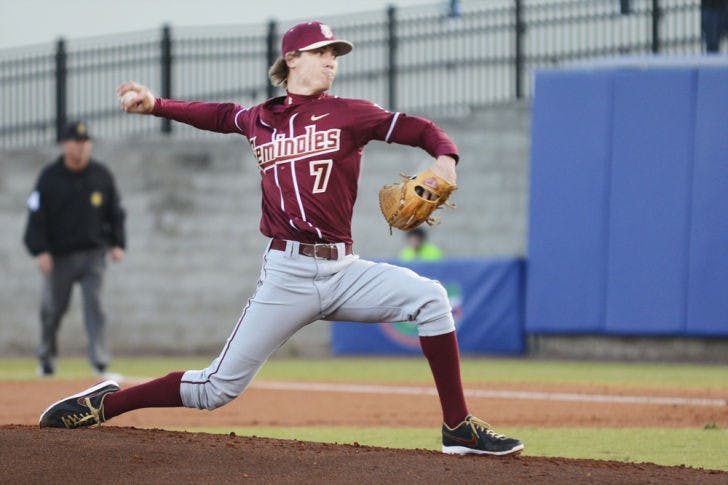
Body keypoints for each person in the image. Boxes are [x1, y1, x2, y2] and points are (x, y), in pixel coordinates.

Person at [39, 21, 523, 456]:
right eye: (321, 52)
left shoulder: (351, 113)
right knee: (214, 390)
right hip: (288, 274)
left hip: (344, 270)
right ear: (291, 59)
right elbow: (216, 114)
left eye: (335, 54)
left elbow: (419, 128)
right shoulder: (260, 119)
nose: (331, 60)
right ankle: (107, 402)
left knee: (432, 299)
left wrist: (446, 158)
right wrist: (156, 105)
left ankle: (457, 426)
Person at [23, 121, 126, 377]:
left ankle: (100, 363)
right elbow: (36, 217)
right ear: (64, 144)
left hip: (94, 254)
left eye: (85, 142)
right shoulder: (49, 177)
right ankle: (46, 360)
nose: (81, 147)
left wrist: (117, 242)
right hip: (59, 257)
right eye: (75, 142)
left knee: (96, 307)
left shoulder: (100, 175)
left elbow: (115, 212)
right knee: (52, 310)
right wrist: (41, 250)